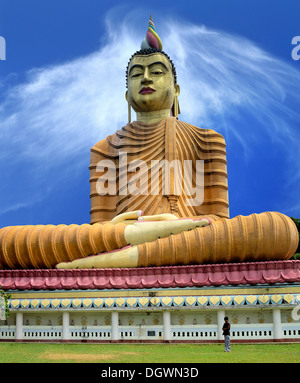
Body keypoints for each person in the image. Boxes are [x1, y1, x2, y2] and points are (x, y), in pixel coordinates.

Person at [0, 16, 298, 269]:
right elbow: (99, 231)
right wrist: (125, 229)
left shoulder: (207, 140)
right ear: (126, 93)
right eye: (136, 74)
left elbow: (216, 224)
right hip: (127, 235)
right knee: (8, 240)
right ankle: (138, 247)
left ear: (176, 89)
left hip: (192, 238)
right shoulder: (104, 149)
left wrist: (178, 225)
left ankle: (122, 258)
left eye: (157, 72)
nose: (146, 78)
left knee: (280, 230)